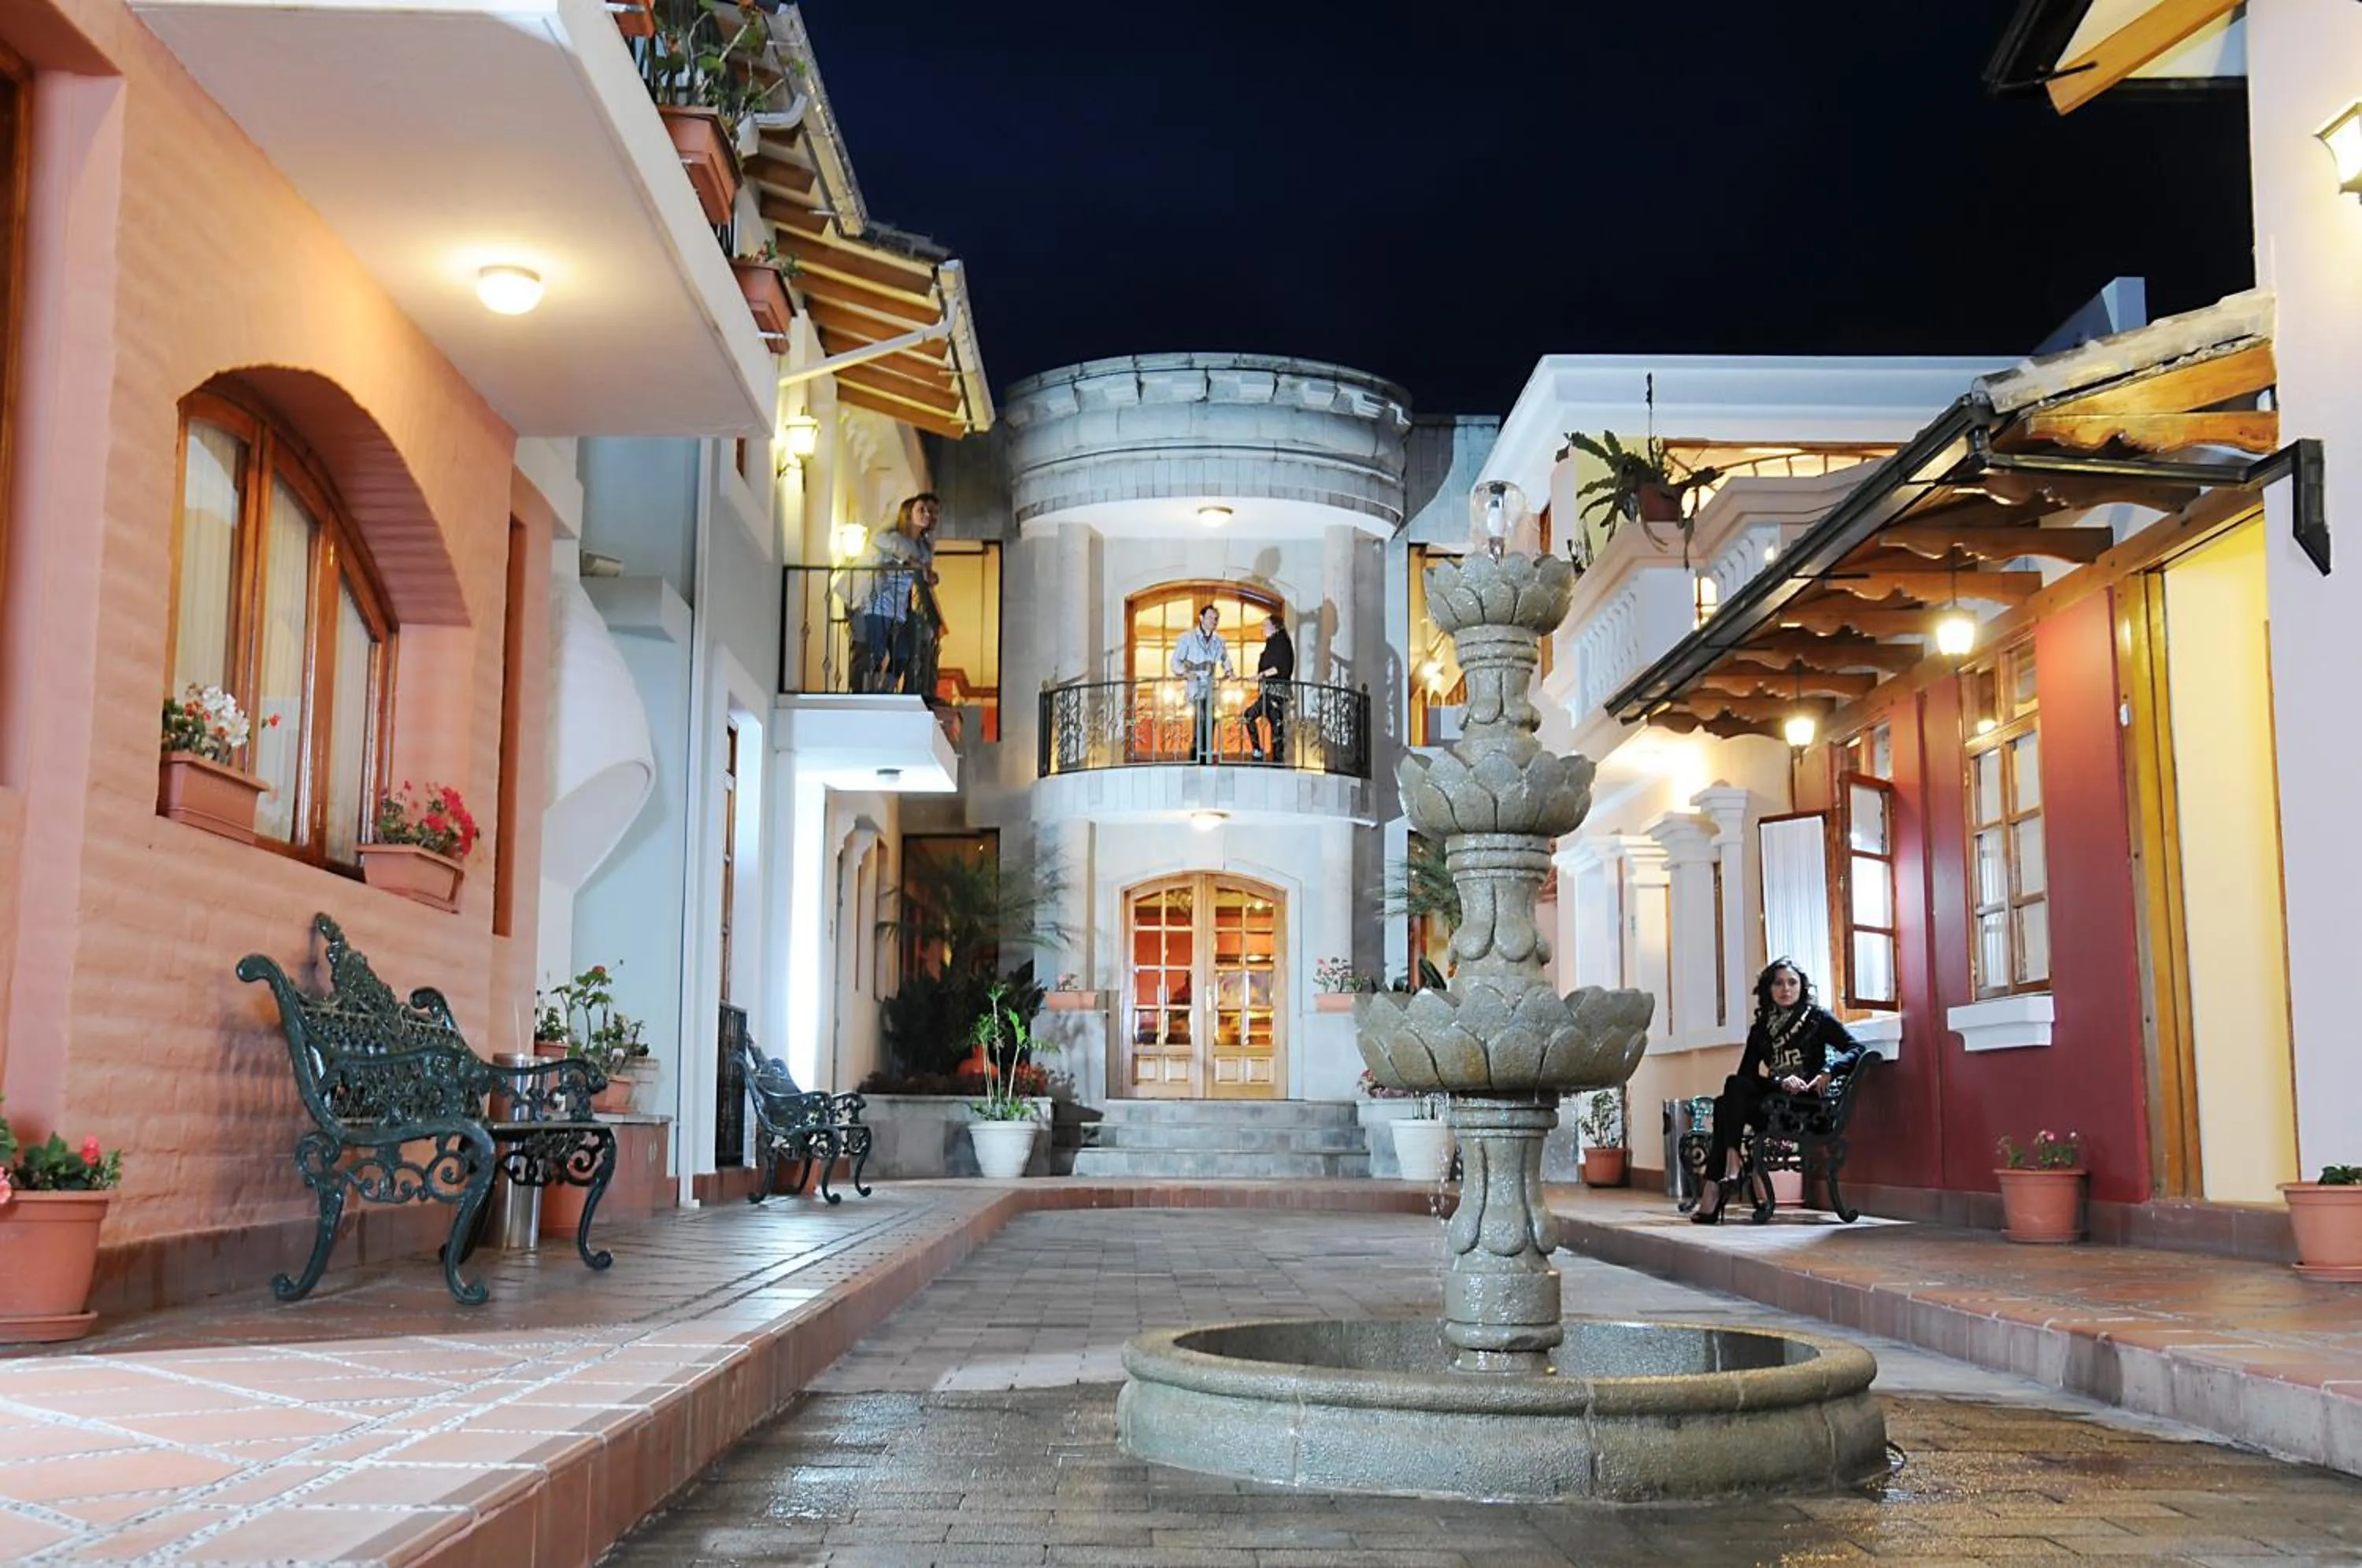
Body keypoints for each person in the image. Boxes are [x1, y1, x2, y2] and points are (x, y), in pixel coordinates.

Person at [1692, 959, 1862, 1224]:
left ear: (1802, 987)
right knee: (1732, 1088)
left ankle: (1717, 1182)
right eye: (1779, 983)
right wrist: (1781, 1083)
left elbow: (1856, 1049)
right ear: (1768, 989)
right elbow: (1745, 1074)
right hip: (1776, 1103)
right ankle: (1732, 1158)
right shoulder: (1761, 1030)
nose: (1786, 989)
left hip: (1807, 1108)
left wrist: (1828, 1071)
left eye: (1792, 982)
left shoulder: (1817, 1019)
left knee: (1724, 1103)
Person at [1168, 604, 1232, 764]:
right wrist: (1185, 673)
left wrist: (1230, 671)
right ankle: (1198, 757)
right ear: (1201, 618)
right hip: (1196, 685)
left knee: (1211, 720)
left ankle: (1203, 755)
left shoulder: (1219, 640)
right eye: (1210, 617)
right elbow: (1176, 661)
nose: (1214, 621)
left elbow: (1225, 659)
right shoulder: (1187, 637)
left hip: (1212, 686)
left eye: (1216, 618)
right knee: (1202, 718)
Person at [1240, 608, 1294, 764]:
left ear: (1275, 627)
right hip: (1268, 692)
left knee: (1272, 725)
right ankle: (1263, 753)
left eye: (1265, 625)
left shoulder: (1281, 643)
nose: (1263, 629)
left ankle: (1272, 757)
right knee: (1254, 718)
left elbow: (1280, 666)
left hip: (1277, 693)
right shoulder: (1273, 643)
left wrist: (1260, 675)